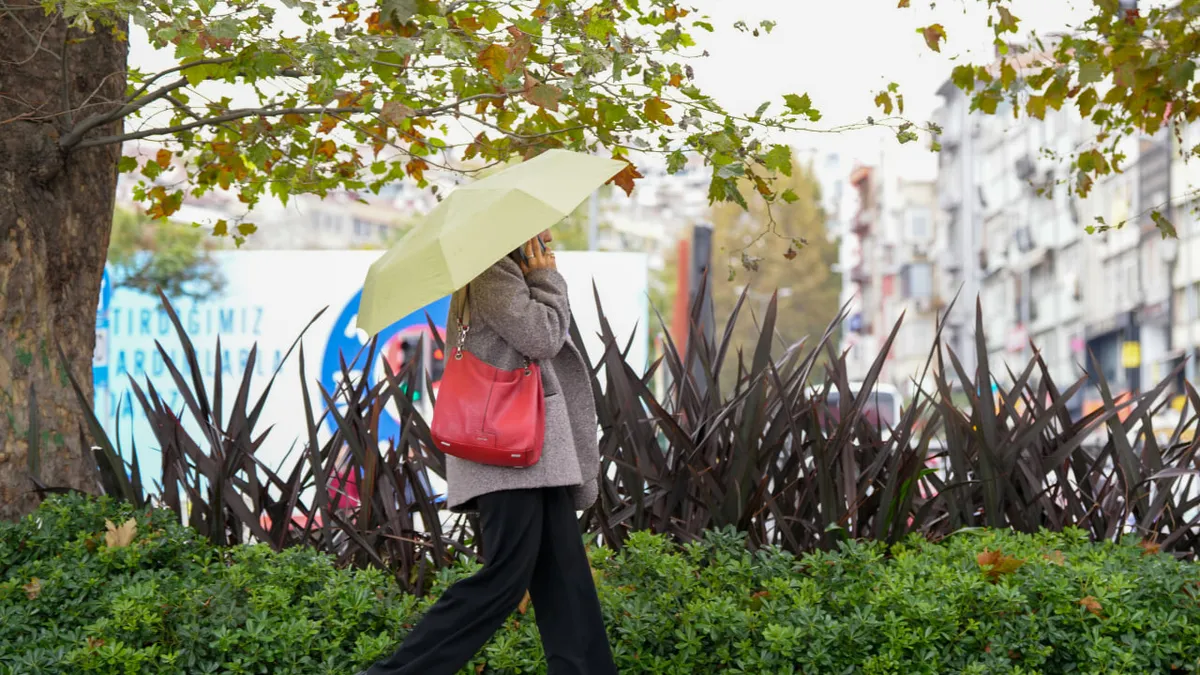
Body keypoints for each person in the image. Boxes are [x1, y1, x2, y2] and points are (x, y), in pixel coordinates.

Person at [359, 230, 617, 675]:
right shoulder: (490, 269)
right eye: (541, 228)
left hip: (537, 455)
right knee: (503, 579)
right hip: (508, 454)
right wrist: (548, 279)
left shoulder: (508, 267)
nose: (549, 235)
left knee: (565, 577)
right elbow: (542, 336)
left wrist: (537, 277)